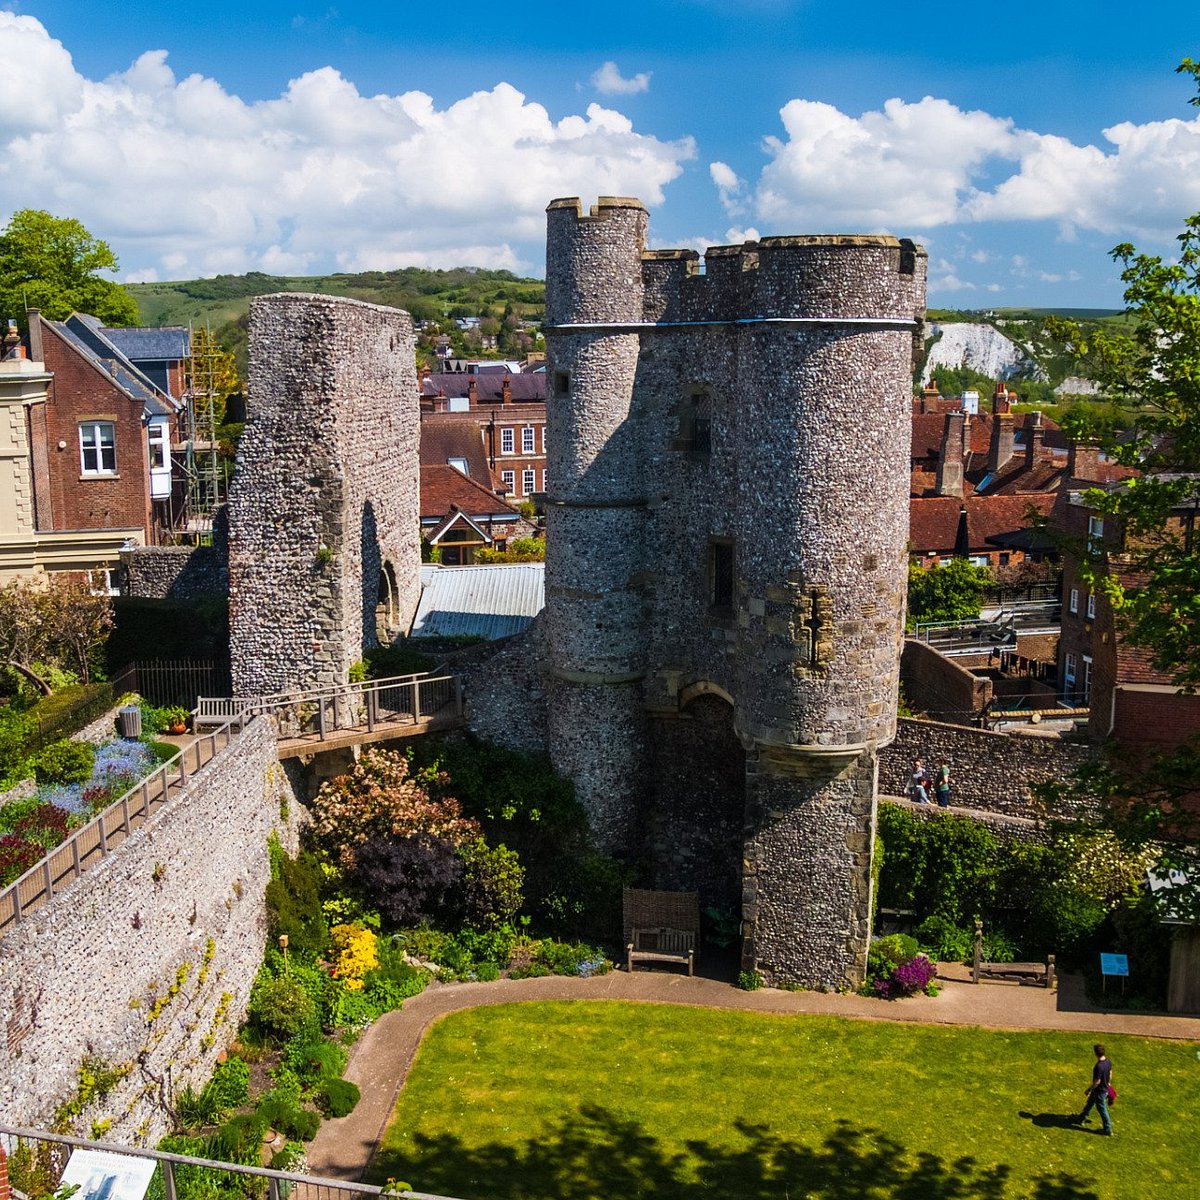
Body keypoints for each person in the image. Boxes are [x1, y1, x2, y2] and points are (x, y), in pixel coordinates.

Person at [1076, 1044, 1114, 1135]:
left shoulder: (1098, 1066)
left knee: (1102, 1110)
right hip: (1102, 1089)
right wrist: (1108, 1082)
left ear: (1096, 1054)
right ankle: (1081, 1118)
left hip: (1100, 1091)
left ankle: (1107, 1129)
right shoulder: (1108, 1061)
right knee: (1090, 1103)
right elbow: (1110, 1073)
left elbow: (1097, 1081)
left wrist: (1089, 1089)